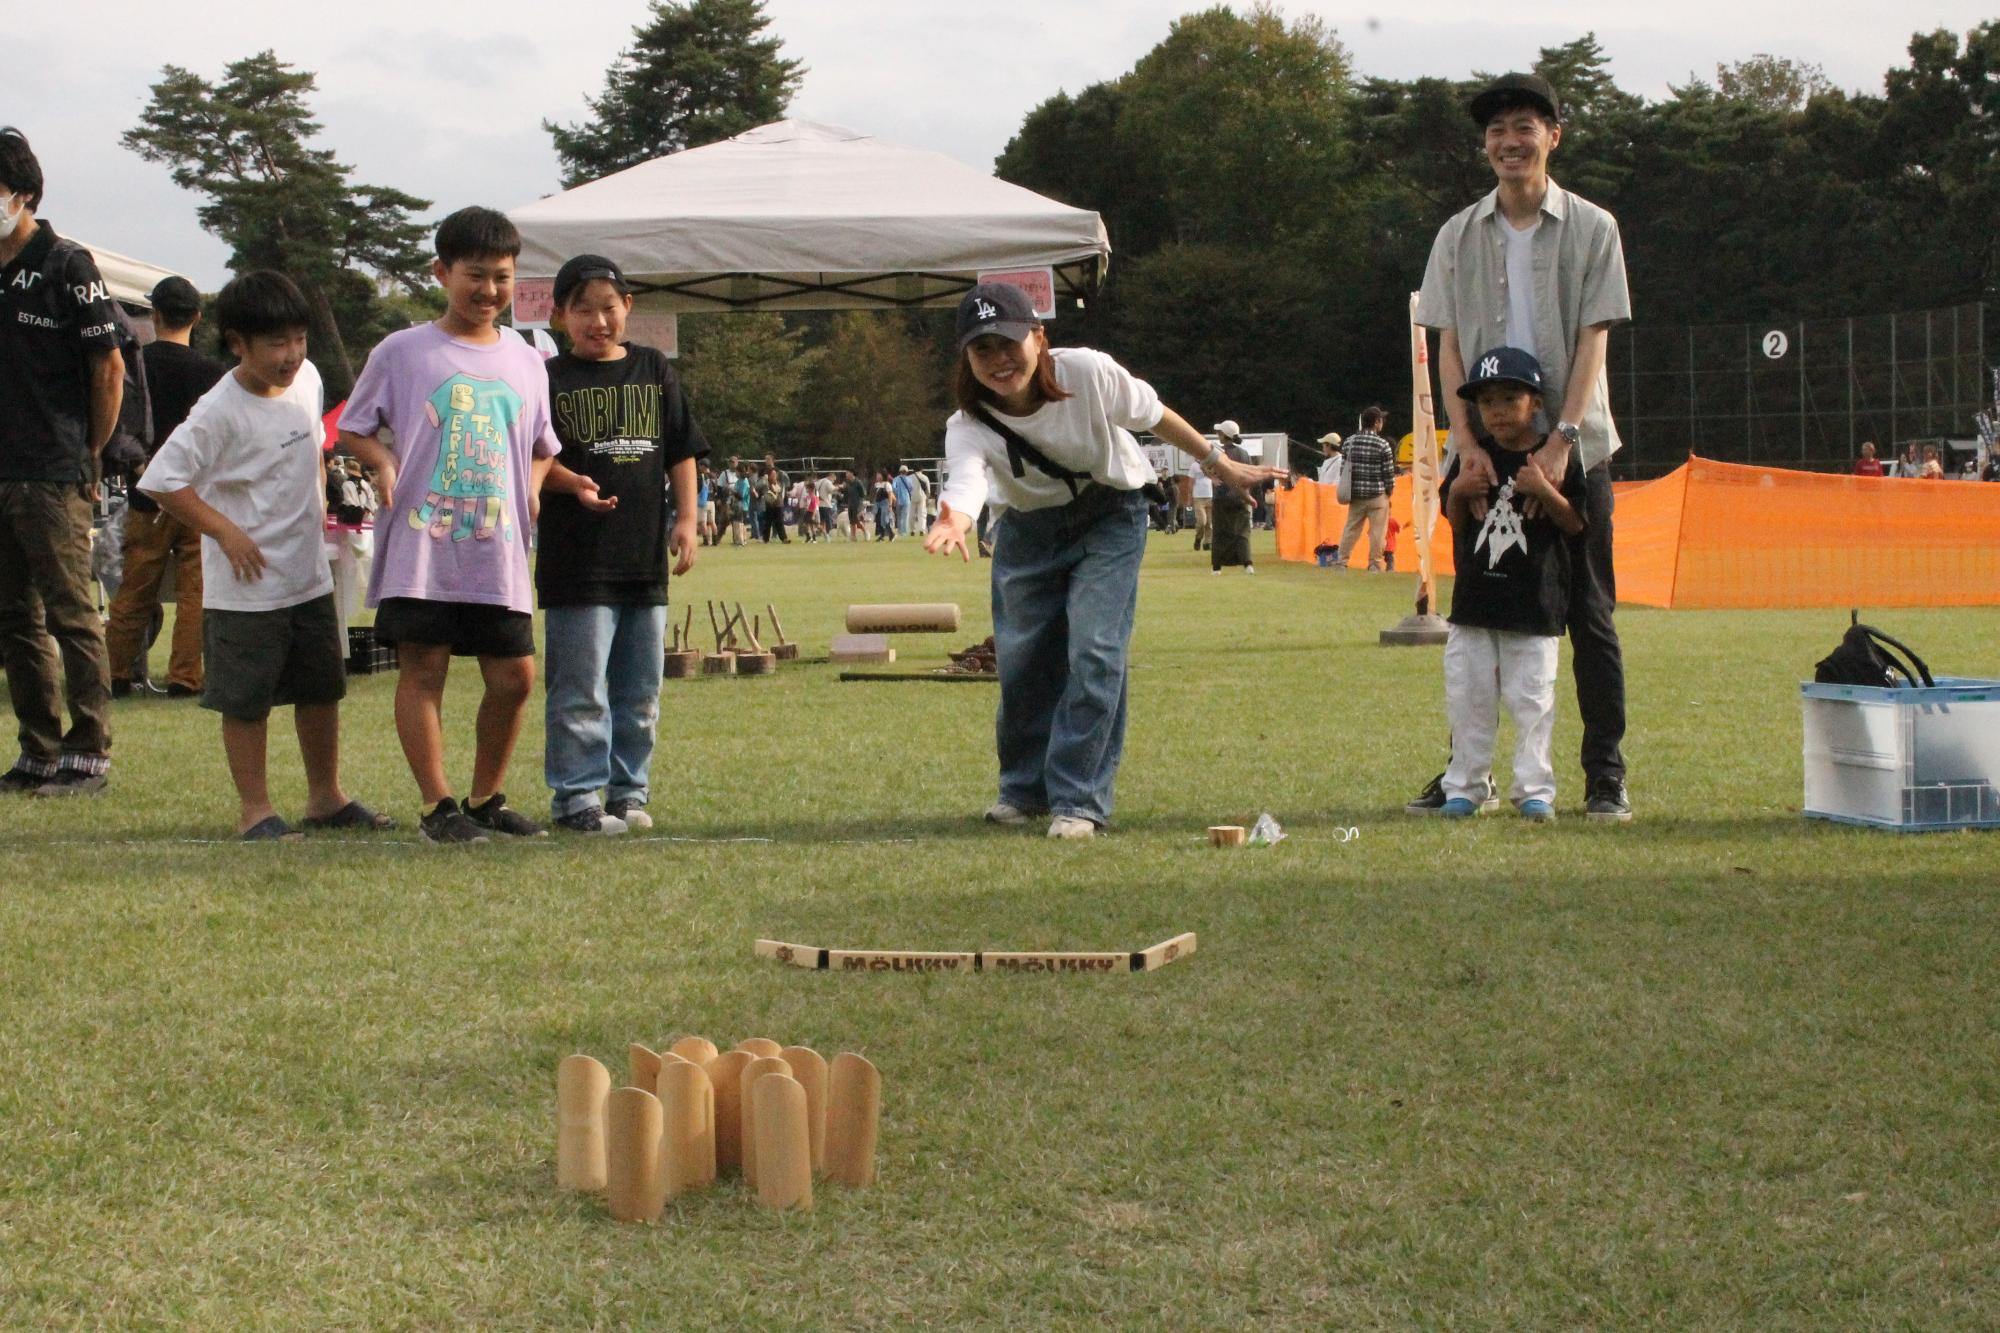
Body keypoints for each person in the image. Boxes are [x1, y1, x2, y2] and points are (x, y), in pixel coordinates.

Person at [924, 283, 1281, 839]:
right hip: (1026, 533)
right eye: (982, 350)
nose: (998, 361)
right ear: (967, 359)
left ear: (1039, 339)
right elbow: (967, 479)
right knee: (1022, 664)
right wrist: (957, 518)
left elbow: (1156, 416)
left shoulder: (1088, 372)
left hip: (1109, 515)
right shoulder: (967, 425)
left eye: (1008, 344)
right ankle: (1023, 789)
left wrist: (1219, 464)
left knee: (1094, 650)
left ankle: (1079, 798)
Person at [1413, 72, 1634, 822]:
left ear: (1553, 137)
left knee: (1590, 614)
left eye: (1525, 127)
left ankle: (1604, 775)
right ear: (1487, 145)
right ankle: (1461, 775)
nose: (1511, 141)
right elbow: (1446, 346)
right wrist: (1464, 440)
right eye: (1498, 129)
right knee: (1481, 606)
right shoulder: (1456, 234)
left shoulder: (1594, 227)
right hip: (1480, 452)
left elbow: (1591, 338)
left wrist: (1565, 439)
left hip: (1575, 446)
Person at [139, 271, 392, 839]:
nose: (292, 355)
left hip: (307, 574)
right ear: (237, 343)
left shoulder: (308, 382)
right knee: (247, 700)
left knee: (321, 689)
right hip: (245, 587)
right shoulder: (215, 411)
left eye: (299, 339)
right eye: (277, 343)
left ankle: (326, 798)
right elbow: (161, 481)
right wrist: (225, 531)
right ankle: (256, 811)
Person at [338, 206, 561, 844]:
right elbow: (353, 427)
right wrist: (381, 460)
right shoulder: (403, 351)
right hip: (422, 547)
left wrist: (535, 488)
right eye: (476, 275)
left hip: (499, 550)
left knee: (515, 676)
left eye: (502, 278)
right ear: (442, 272)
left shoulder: (526, 360)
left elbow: (545, 446)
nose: (489, 291)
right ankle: (439, 807)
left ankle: (486, 797)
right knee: (424, 669)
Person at [537, 253, 706, 836]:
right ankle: (576, 799)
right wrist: (572, 484)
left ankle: (628, 793)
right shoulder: (549, 379)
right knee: (580, 690)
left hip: (642, 558)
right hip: (576, 560)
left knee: (640, 690)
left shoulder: (654, 369)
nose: (598, 321)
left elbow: (681, 448)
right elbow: (535, 460)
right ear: (560, 316)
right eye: (583, 310)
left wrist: (687, 518)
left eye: (609, 307)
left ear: (628, 308)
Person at [0, 126, 121, 796]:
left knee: (71, 611)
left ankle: (89, 748)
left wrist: (91, 452)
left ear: (23, 193)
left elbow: (108, 366)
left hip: (54, 467)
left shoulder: (67, 264)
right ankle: (38, 748)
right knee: (14, 617)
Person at [1436, 347, 1586, 822]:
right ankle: (1465, 786)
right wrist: (1459, 492)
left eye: (1509, 398)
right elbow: (1456, 521)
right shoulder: (1472, 456)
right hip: (1475, 604)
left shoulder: (1556, 459)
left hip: (1534, 605)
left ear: (1536, 403)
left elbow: (1577, 523)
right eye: (1486, 402)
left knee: (1533, 701)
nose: (1496, 411)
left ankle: (1534, 789)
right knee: (1469, 699)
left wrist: (1544, 490)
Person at [106, 275, 228, 698]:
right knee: (196, 591)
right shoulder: (214, 374)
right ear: (196, 316)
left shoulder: (135, 366)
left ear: (154, 315)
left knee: (134, 586)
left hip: (146, 493)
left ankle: (116, 672)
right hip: (198, 495)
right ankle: (185, 676)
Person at [1336, 407, 1396, 571]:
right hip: (1377, 495)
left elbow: (1343, 470)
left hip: (1355, 495)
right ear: (1376, 422)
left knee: (1351, 529)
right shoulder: (1383, 444)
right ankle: (1374, 564)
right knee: (1378, 532)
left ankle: (1341, 561)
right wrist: (1389, 492)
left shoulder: (1349, 442)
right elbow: (1388, 473)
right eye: (1381, 420)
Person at [1208, 421, 1255, 575]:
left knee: (1220, 532)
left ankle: (1217, 567)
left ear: (1224, 435)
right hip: (1240, 497)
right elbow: (1248, 475)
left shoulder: (1217, 452)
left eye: (1219, 433)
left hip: (1221, 496)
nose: (1217, 435)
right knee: (1242, 531)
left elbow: (1204, 465)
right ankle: (1247, 564)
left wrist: (1211, 477)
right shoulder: (1244, 454)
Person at [891, 465, 912, 536]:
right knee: (905, 516)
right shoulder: (909, 479)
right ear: (906, 472)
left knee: (899, 516)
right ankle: (904, 532)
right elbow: (911, 488)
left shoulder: (895, 479)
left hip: (898, 500)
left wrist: (897, 493)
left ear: (900, 471)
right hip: (906, 500)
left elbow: (893, 488)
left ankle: (900, 531)